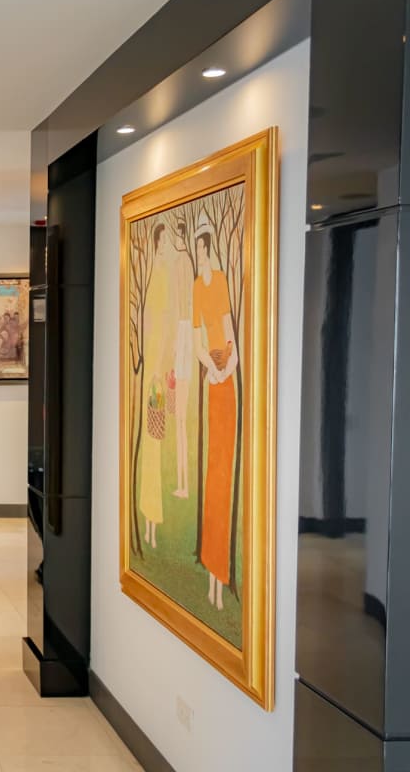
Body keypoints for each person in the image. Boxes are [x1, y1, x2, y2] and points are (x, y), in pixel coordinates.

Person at [192, 211, 237, 611]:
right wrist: (212, 366)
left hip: (227, 384)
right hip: (212, 378)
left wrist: (228, 366)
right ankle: (211, 567)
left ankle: (221, 576)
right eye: (198, 248)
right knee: (213, 473)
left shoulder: (220, 282)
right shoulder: (196, 287)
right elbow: (197, 341)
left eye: (203, 247)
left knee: (224, 468)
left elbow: (230, 333)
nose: (201, 253)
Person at [139, 223, 173, 549]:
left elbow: (163, 325)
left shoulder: (163, 279)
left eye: (166, 246)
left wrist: (159, 368)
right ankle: (148, 515)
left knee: (155, 439)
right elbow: (153, 324)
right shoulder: (155, 277)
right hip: (152, 363)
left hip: (156, 366)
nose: (164, 250)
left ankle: (153, 516)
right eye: (161, 245)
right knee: (150, 442)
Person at [170, 217, 195, 499]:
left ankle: (185, 483)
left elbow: (185, 308)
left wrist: (179, 344)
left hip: (185, 338)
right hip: (181, 337)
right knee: (178, 419)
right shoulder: (181, 263)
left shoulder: (183, 264)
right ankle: (182, 482)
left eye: (180, 234)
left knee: (181, 419)